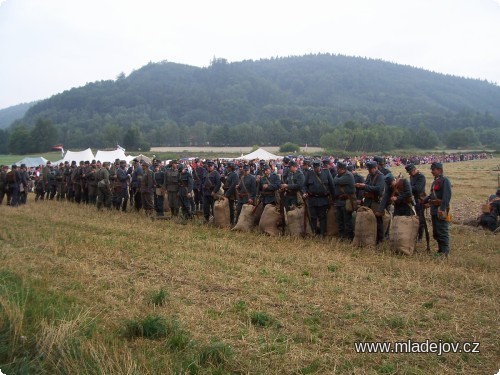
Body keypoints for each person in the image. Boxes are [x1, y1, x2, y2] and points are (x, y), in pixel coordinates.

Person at [423, 162, 452, 257]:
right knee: (436, 232)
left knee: (442, 231)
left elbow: (446, 196)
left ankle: (444, 252)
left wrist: (442, 209)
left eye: (433, 169)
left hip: (440, 209)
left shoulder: (445, 181)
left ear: (439, 170)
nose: (432, 171)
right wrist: (424, 201)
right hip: (434, 210)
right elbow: (431, 195)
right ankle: (440, 250)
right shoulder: (435, 181)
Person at [355, 161, 386, 243]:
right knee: (368, 219)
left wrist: (365, 186)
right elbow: (366, 185)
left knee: (378, 220)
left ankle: (380, 239)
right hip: (368, 201)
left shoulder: (381, 177)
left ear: (375, 168)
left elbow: (379, 189)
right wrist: (361, 187)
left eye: (370, 169)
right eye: (368, 169)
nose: (369, 171)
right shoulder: (369, 175)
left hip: (376, 201)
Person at [303, 160, 335, 236]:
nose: (316, 169)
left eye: (317, 167)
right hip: (312, 199)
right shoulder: (309, 173)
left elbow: (332, 186)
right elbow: (304, 185)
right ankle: (314, 232)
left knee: (322, 217)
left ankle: (322, 233)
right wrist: (304, 192)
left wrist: (333, 197)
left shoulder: (326, 172)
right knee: (313, 217)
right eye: (315, 168)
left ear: (320, 167)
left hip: (323, 199)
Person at [333, 161, 355, 240]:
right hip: (339, 201)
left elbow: (336, 181)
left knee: (347, 220)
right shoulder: (340, 175)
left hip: (346, 201)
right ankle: (342, 236)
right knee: (340, 220)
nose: (336, 170)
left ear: (342, 169)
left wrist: (336, 177)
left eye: (338, 169)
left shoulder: (348, 175)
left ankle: (348, 237)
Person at [406, 164, 427, 242]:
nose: (409, 174)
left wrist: (407, 186)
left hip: (419, 199)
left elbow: (418, 189)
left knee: (420, 218)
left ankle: (420, 237)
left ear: (414, 170)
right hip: (413, 199)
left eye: (410, 172)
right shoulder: (412, 177)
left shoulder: (421, 177)